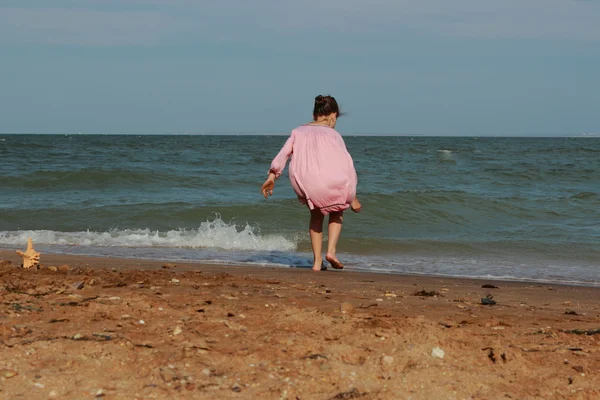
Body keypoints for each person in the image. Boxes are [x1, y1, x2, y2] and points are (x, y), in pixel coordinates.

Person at [261, 95, 362, 271]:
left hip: (309, 183)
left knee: (316, 216)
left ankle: (316, 262)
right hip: (333, 181)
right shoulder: (334, 135)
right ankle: (331, 252)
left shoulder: (297, 132)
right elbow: (346, 164)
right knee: (337, 212)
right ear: (333, 115)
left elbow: (283, 154)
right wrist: (352, 196)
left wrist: (272, 176)